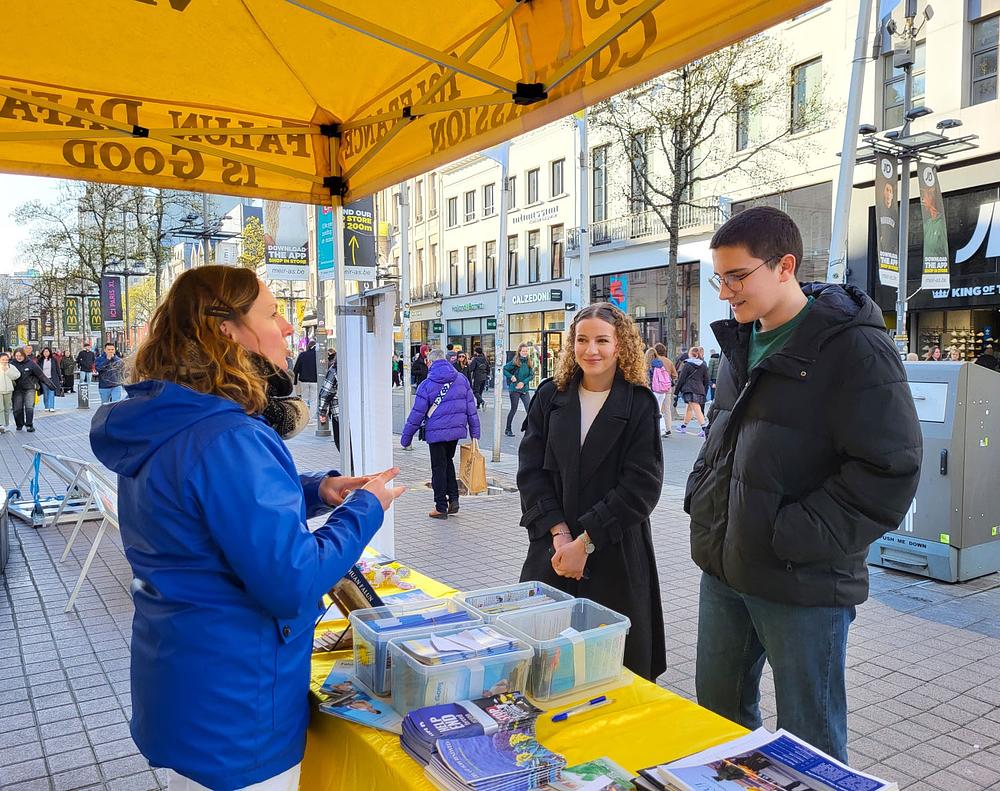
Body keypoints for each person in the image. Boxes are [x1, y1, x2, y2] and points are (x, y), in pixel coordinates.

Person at [88, 265, 405, 791]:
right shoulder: (226, 435)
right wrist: (366, 508)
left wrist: (316, 490)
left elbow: (203, 506)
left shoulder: (172, 422)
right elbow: (294, 583)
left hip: (184, 680)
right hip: (237, 706)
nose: (286, 328)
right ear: (226, 330)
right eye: (272, 313)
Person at [686, 206, 921, 762]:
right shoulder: (739, 343)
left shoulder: (854, 349)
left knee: (808, 739)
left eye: (737, 277)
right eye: (719, 278)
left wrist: (789, 533)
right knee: (716, 714)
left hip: (803, 579)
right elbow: (723, 434)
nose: (725, 292)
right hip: (725, 566)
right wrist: (702, 496)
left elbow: (890, 469)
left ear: (785, 266)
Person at [517, 302, 665, 681]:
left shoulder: (638, 404)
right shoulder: (551, 397)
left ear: (620, 346)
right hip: (553, 550)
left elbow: (641, 486)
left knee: (613, 672)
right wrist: (561, 535)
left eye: (602, 340)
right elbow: (531, 472)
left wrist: (586, 543)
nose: (591, 350)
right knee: (542, 666)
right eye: (582, 340)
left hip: (614, 553)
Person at [400, 348, 480, 519]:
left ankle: (441, 507)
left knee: (438, 468)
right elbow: (471, 408)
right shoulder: (461, 379)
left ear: (430, 362)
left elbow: (417, 413)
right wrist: (475, 433)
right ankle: (454, 499)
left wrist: (406, 438)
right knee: (448, 462)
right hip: (456, 431)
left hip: (436, 433)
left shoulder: (427, 384)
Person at [10, 347, 60, 432]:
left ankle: (29, 425)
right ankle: (19, 424)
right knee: (17, 409)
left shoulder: (31, 363)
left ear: (24, 355)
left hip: (29, 388)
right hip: (17, 389)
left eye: (20, 355)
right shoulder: (12, 364)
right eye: (17, 356)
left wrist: (51, 386)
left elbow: (41, 375)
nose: (18, 357)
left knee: (29, 407)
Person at [675, 346, 711, 437]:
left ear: (690, 354)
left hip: (689, 388)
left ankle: (704, 428)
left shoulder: (687, 365)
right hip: (700, 388)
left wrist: (676, 391)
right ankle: (684, 426)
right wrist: (705, 391)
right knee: (689, 408)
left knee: (696, 407)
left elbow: (681, 379)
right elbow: (706, 380)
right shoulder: (703, 365)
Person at [645, 344, 677, 437]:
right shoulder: (663, 362)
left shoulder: (648, 364)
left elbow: (646, 378)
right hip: (664, 389)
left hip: (653, 389)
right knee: (665, 410)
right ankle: (666, 428)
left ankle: (653, 429)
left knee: (652, 410)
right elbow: (674, 375)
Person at [503, 344, 533, 437]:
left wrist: (523, 382)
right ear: (519, 352)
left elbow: (531, 375)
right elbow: (505, 369)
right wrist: (511, 376)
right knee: (514, 409)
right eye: (523, 351)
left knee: (530, 409)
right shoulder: (515, 361)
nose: (525, 353)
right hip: (514, 389)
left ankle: (531, 430)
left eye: (526, 351)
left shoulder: (529, 362)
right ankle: (508, 429)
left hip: (524, 389)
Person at [292, 341, 318, 410]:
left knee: (304, 399)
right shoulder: (318, 355)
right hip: (315, 381)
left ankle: (306, 417)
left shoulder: (302, 355)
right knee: (314, 400)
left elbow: (296, 368)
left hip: (304, 381)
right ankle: (311, 418)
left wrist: (295, 382)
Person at [0, 351, 19, 433]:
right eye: (3, 359)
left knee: (7, 408)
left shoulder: (11, 366)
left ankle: (6, 424)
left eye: (6, 359)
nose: (5, 361)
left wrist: (7, 371)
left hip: (9, 390)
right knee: (1, 408)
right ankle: (1, 424)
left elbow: (17, 375)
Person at [36, 347, 59, 412]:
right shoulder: (40, 360)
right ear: (42, 353)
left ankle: (51, 407)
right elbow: (37, 369)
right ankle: (46, 406)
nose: (46, 353)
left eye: (47, 351)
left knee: (51, 393)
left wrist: (60, 378)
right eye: (44, 352)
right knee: (45, 393)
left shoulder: (53, 360)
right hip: (43, 379)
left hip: (52, 378)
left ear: (50, 352)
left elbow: (57, 369)